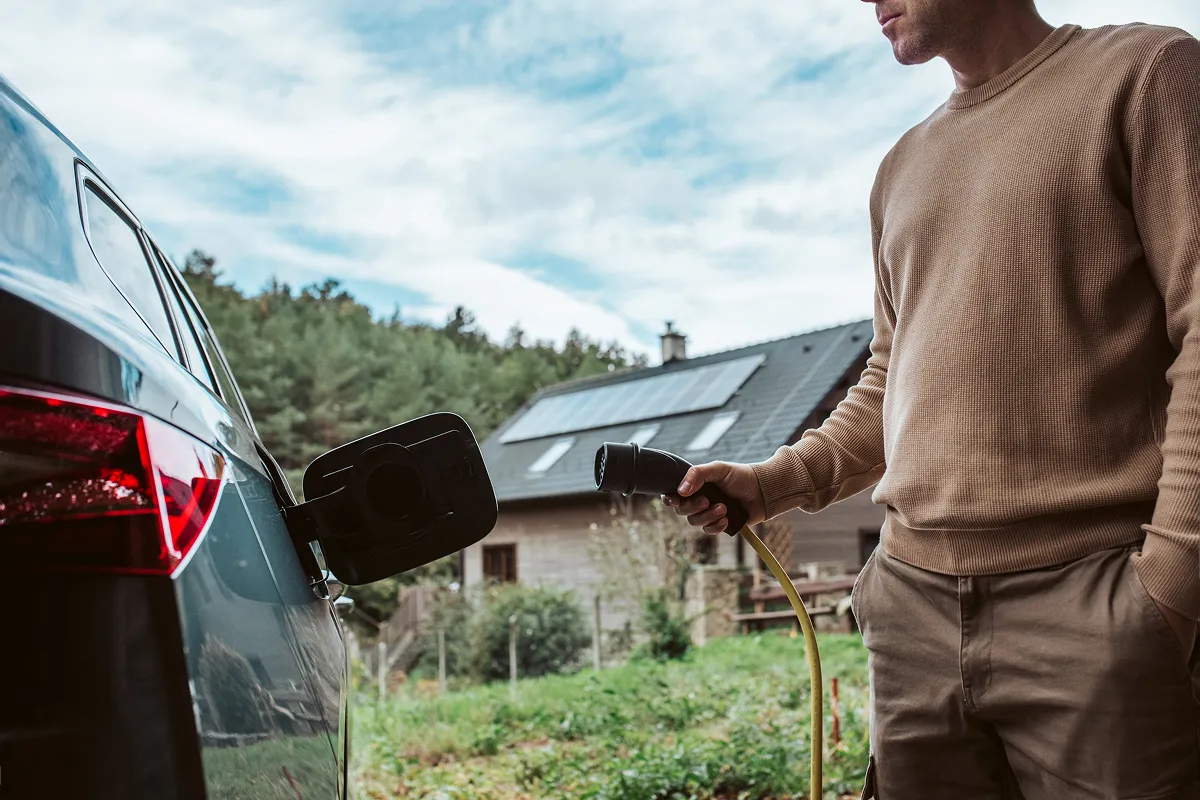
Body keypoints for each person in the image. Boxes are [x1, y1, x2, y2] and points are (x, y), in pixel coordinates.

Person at [665, 1, 1200, 797]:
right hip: (910, 609)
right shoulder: (900, 169)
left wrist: (1173, 581)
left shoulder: (1147, 74)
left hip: (1094, 605)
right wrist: (772, 480)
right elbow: (890, 376)